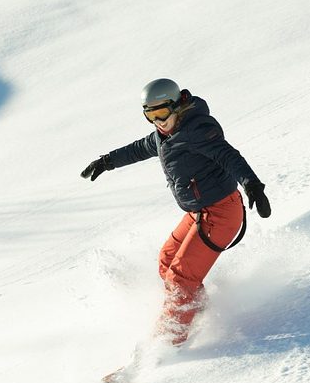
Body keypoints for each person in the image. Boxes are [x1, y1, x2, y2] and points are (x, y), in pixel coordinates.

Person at [81, 78, 271, 346]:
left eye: (161, 113)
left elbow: (229, 156)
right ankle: (195, 308)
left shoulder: (197, 129)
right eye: (150, 115)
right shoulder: (163, 135)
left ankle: (167, 344)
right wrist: (107, 161)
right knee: (167, 260)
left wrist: (252, 184)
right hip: (198, 212)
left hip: (221, 212)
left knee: (180, 278)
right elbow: (138, 148)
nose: (157, 121)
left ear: (178, 104)